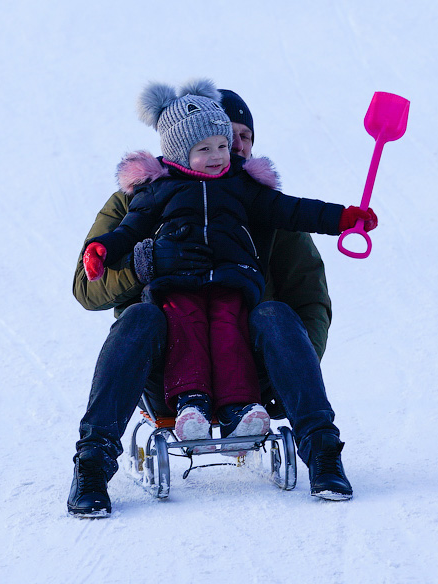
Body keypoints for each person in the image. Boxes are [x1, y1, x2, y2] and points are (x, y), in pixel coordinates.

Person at [68, 82, 376, 517]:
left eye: (239, 139)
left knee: (275, 312)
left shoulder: (260, 200)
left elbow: (310, 298)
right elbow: (86, 286)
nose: (231, 151)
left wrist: (293, 371)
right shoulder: (143, 195)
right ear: (180, 149)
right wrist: (144, 263)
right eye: (218, 142)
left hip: (252, 368)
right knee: (140, 317)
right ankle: (92, 465)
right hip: (166, 365)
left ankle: (324, 455)